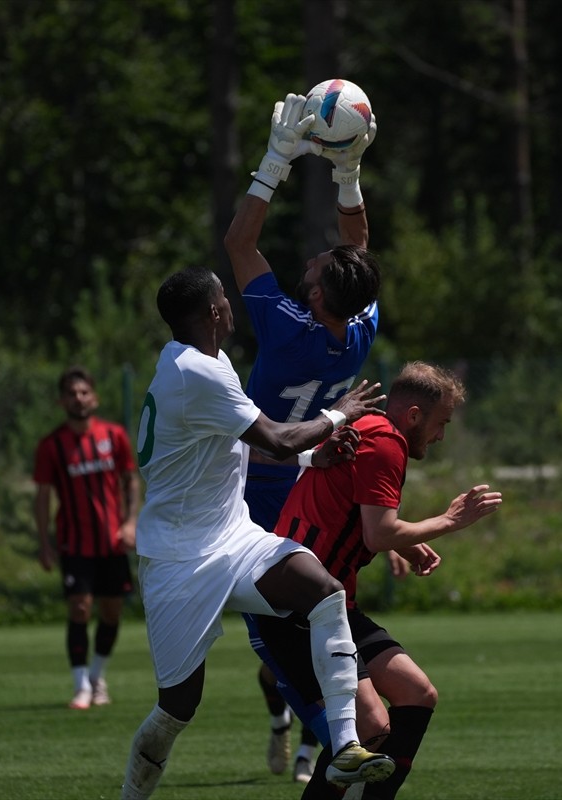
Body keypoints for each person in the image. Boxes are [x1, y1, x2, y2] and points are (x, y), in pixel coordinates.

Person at [120, 266, 395, 799]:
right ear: (214, 313)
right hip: (179, 558)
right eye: (225, 297)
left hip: (232, 536)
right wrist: (338, 415)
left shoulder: (204, 361)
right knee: (178, 707)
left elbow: (245, 446)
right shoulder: (194, 371)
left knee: (323, 591)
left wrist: (314, 456)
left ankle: (344, 749)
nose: (231, 304)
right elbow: (276, 436)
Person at [224, 89, 394, 783]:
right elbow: (358, 251)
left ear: (319, 295)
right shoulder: (358, 333)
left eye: (319, 269)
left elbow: (240, 242)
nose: (317, 261)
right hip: (303, 479)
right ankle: (338, 730)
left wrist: (276, 161)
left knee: (269, 627)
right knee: (307, 607)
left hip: (253, 483)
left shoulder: (288, 330)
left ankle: (329, 737)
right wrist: (348, 172)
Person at [248, 361, 503, 800]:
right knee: (371, 728)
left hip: (329, 604)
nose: (441, 436)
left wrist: (400, 543)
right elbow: (378, 531)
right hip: (295, 608)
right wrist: (449, 520)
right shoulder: (387, 444)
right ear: (415, 416)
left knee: (417, 693)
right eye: (441, 423)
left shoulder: (366, 426)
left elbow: (351, 509)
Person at [34, 366, 141, 709]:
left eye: (84, 392)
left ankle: (97, 676)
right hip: (74, 544)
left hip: (111, 543)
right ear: (61, 400)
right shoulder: (52, 446)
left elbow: (131, 480)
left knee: (111, 613)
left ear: (94, 397)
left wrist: (130, 522)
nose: (78, 398)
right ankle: (80, 685)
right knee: (79, 609)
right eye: (71, 393)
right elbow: (42, 496)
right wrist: (44, 542)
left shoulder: (114, 435)